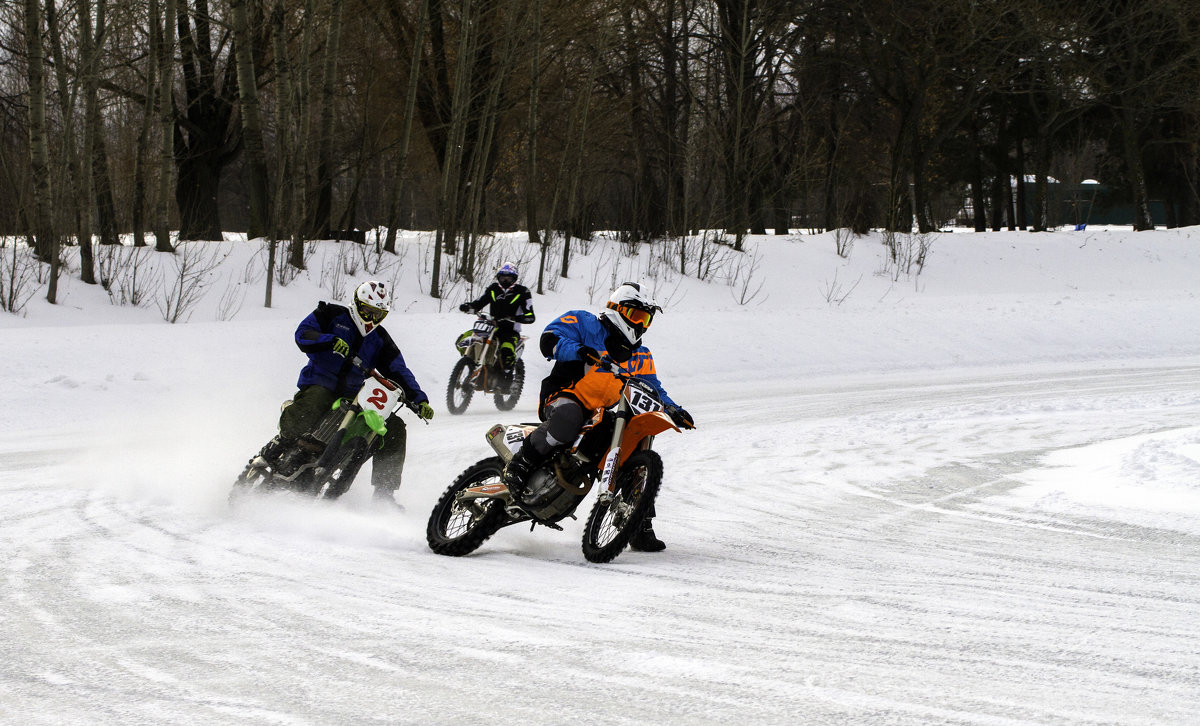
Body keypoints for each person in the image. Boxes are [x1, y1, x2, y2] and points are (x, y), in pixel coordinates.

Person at [502, 282, 694, 552]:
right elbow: (550, 339)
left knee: (634, 443)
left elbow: (654, 389)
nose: (640, 324)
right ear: (617, 309)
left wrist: (674, 409)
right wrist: (579, 351)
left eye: (646, 318)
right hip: (565, 394)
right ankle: (519, 465)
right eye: (636, 315)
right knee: (569, 415)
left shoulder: (641, 355)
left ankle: (639, 522)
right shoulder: (584, 322)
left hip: (601, 413)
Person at [261, 280, 435, 508]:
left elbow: (398, 369)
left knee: (394, 428)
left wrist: (419, 399)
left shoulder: (380, 338)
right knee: (316, 401)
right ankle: (281, 442)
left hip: (356, 396)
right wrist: (329, 340)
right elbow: (304, 333)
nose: (371, 319)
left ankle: (384, 495)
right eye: (367, 311)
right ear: (356, 304)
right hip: (320, 383)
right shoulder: (331, 314)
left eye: (378, 315)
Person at [458, 262, 535, 389]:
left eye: (508, 278)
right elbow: (480, 302)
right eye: (502, 277)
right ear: (498, 277)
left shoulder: (522, 292)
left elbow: (530, 314)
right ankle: (469, 364)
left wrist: (515, 318)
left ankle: (506, 379)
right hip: (490, 327)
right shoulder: (494, 289)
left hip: (510, 330)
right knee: (463, 339)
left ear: (514, 279)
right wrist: (469, 307)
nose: (505, 280)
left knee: (507, 350)